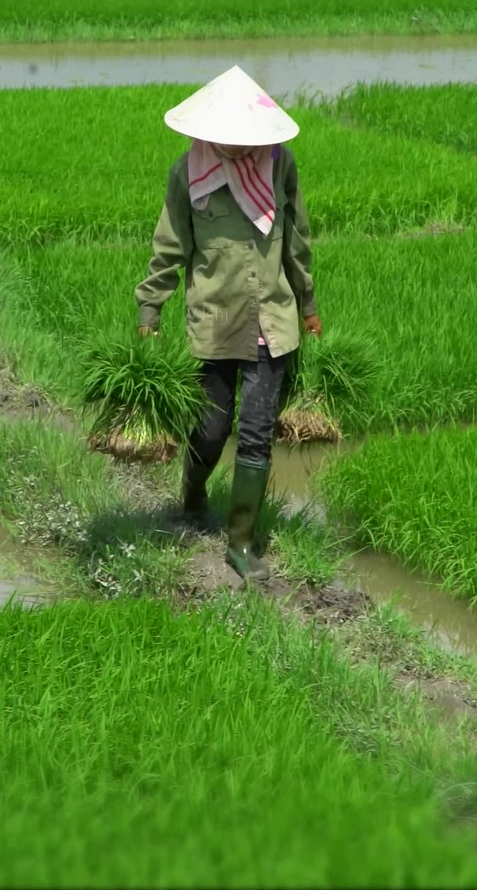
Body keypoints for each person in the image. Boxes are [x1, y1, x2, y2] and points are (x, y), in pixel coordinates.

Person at [136, 66, 321, 583]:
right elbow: (170, 245)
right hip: (215, 320)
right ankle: (192, 497)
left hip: (273, 321)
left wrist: (307, 303)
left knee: (257, 433)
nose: (238, 149)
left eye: (246, 139)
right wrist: (151, 305)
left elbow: (297, 238)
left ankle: (240, 543)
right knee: (212, 430)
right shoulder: (187, 172)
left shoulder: (279, 165)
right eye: (228, 138)